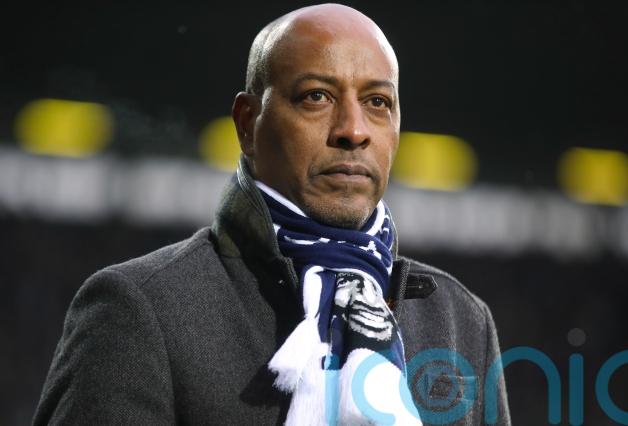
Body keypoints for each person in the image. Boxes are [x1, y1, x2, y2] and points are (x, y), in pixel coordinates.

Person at [33, 4, 510, 425]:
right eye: (317, 96)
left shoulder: (461, 321)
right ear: (247, 124)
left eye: (377, 102)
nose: (353, 130)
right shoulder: (140, 309)